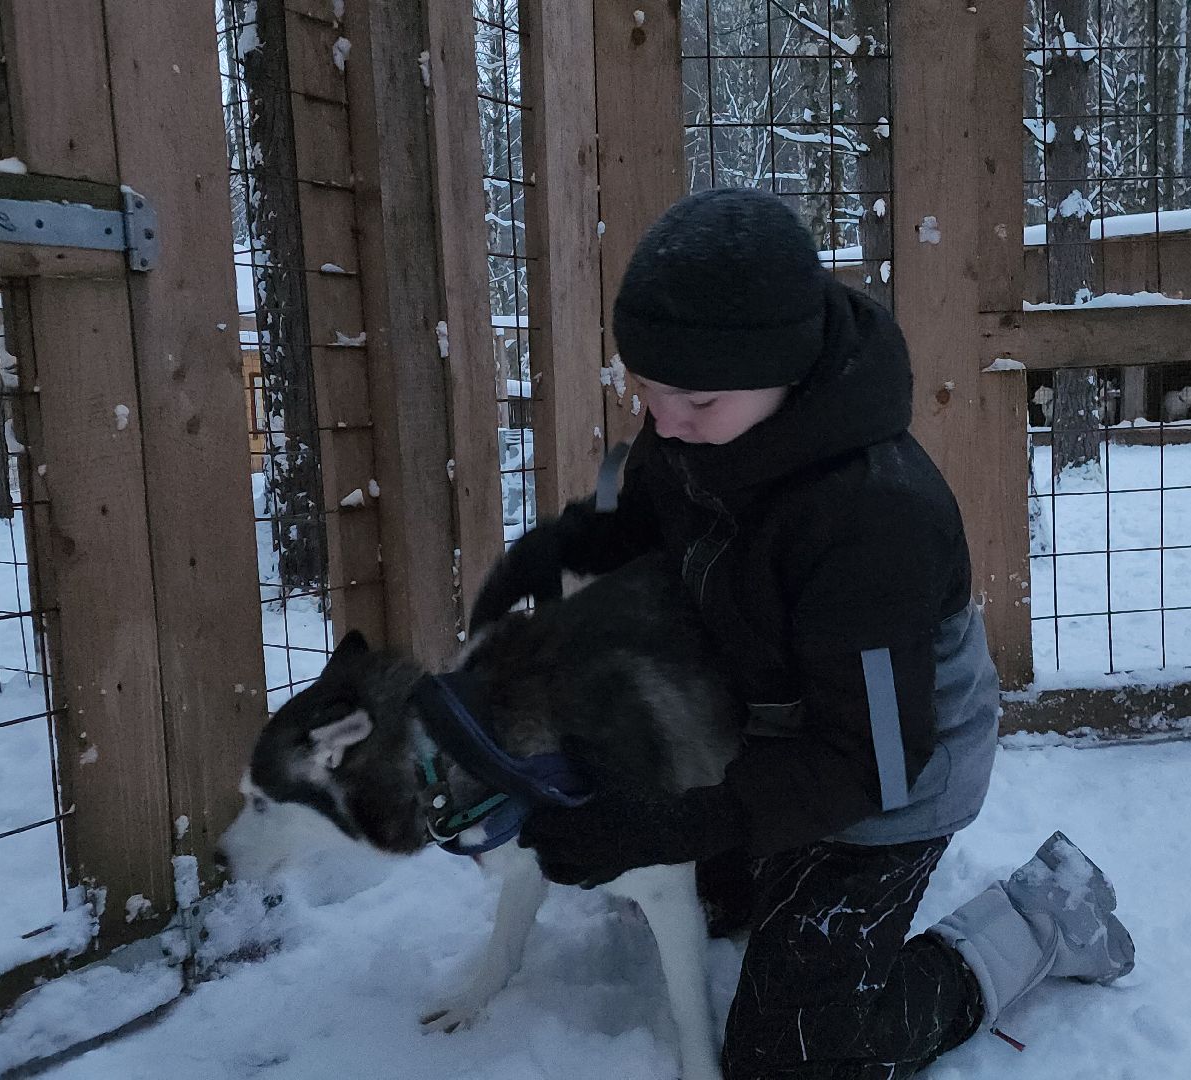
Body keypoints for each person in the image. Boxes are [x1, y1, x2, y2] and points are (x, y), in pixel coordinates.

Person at [470, 188, 1133, 1079]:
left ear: (780, 372)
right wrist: (560, 548)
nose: (663, 420)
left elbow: (870, 762)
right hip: (761, 730)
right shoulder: (702, 420)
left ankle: (1042, 918)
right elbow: (652, 520)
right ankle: (754, 867)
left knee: (791, 1059)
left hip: (891, 778)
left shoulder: (872, 517)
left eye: (693, 400)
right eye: (646, 390)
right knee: (689, 885)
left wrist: (671, 823)